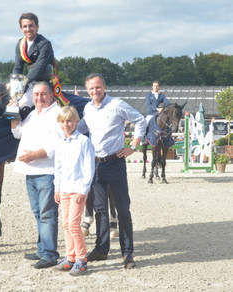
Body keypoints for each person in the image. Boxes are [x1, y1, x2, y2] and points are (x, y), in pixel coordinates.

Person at [78, 73, 147, 269]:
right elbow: (80, 128)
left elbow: (140, 120)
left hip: (115, 162)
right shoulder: (87, 109)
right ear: (87, 90)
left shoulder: (117, 105)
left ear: (104, 87)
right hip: (96, 165)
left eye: (98, 87)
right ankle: (101, 249)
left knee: (123, 209)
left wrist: (133, 146)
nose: (94, 91)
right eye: (91, 88)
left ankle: (127, 252)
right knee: (100, 210)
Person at [11, 81, 61, 269]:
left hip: (46, 171)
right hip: (30, 172)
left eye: (43, 94)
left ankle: (49, 254)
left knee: (47, 214)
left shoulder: (57, 114)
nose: (39, 98)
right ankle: (42, 249)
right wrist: (12, 112)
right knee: (38, 212)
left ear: (51, 95)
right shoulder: (33, 114)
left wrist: (34, 155)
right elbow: (17, 132)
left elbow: (56, 144)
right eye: (36, 94)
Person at [52, 106, 95, 276]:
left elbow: (89, 167)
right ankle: (70, 257)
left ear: (76, 122)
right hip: (64, 189)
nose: (66, 124)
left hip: (77, 189)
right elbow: (58, 167)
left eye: (69, 121)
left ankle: (81, 260)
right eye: (62, 121)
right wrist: (57, 187)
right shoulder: (60, 142)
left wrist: (83, 190)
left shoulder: (84, 142)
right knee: (65, 224)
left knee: (74, 225)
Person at [13, 12, 55, 110]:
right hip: (28, 82)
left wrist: (21, 83)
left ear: (37, 27)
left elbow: (38, 69)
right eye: (25, 26)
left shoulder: (45, 44)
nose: (28, 29)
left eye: (31, 26)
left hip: (43, 82)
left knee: (21, 105)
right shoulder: (20, 44)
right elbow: (17, 68)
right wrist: (14, 84)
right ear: (21, 29)